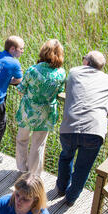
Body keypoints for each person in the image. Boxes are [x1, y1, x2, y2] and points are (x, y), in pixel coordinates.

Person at [56, 51, 108, 207]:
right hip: (94, 131)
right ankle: (71, 198)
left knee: (66, 156)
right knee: (83, 168)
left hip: (70, 127)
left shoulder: (74, 72)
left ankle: (61, 188)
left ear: (86, 62)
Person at [15, 39, 66, 176]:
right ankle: (34, 174)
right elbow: (60, 90)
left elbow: (21, 89)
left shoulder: (33, 70)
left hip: (28, 111)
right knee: (38, 144)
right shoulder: (61, 73)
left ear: (43, 51)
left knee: (22, 139)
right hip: (46, 113)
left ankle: (22, 168)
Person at [0, 36, 25, 166]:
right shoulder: (14, 63)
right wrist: (8, 81)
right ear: (12, 49)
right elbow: (18, 80)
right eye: (21, 49)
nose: (22, 51)